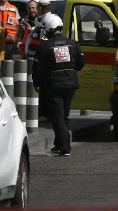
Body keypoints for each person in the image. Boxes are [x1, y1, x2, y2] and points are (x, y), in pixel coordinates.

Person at [32, 13, 86, 156]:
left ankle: (64, 147)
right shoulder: (73, 44)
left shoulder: (45, 46)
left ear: (48, 27)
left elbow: (37, 67)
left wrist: (37, 83)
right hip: (70, 84)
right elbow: (81, 63)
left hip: (54, 85)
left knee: (58, 117)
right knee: (64, 116)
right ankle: (59, 144)